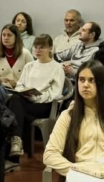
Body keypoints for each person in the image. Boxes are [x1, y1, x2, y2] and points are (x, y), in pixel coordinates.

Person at [7, 34, 66, 162]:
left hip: (45, 105)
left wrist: (36, 98)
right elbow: (20, 84)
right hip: (27, 102)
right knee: (14, 100)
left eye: (42, 47)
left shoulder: (57, 67)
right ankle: (16, 144)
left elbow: (56, 93)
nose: (38, 50)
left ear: (50, 48)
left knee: (13, 110)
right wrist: (23, 92)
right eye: (36, 47)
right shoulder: (30, 66)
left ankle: (15, 145)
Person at [0, 24, 33, 88]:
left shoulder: (26, 54)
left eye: (9, 35)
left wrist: (17, 83)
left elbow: (32, 78)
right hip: (1, 91)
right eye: (3, 35)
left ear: (16, 37)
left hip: (20, 92)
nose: (6, 38)